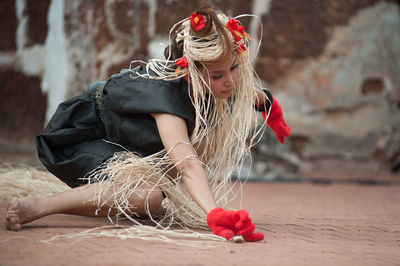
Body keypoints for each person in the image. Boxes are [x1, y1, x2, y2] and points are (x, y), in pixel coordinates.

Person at [5, 6, 290, 242]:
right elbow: (187, 164)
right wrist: (214, 213)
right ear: (189, 71)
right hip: (87, 138)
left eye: (234, 68)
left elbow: (249, 93)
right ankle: (39, 207)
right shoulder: (167, 103)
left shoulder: (219, 83)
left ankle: (127, 189)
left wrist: (270, 111)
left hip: (129, 142)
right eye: (217, 75)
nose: (228, 80)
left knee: (195, 143)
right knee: (149, 198)